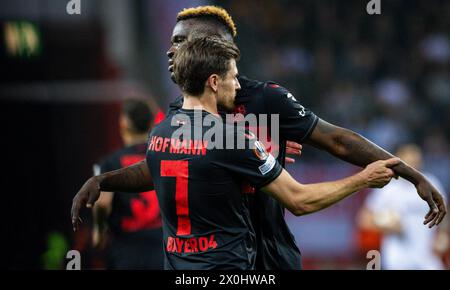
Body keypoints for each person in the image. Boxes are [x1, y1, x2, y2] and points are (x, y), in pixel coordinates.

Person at [71, 6, 446, 270]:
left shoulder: (267, 99)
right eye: (171, 41)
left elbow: (338, 141)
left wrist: (411, 175)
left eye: (180, 41)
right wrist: (106, 181)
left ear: (209, 48)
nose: (171, 51)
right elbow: (160, 165)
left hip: (268, 252)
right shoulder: (178, 114)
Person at [150, 36, 400, 269]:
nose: (238, 86)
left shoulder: (159, 135)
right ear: (214, 82)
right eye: (233, 77)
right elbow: (299, 200)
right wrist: (363, 179)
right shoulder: (232, 138)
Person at [92, 99, 163, 269]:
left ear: (123, 123)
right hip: (164, 249)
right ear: (153, 123)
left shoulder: (109, 164)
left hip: (127, 252)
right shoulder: (163, 157)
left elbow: (102, 204)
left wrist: (99, 230)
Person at [357, 144, 449, 270]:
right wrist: (387, 225)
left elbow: (445, 212)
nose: (413, 166)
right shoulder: (388, 188)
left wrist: (443, 234)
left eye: (416, 161)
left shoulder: (431, 183)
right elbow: (364, 219)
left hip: (427, 256)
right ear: (398, 162)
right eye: (409, 163)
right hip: (397, 258)